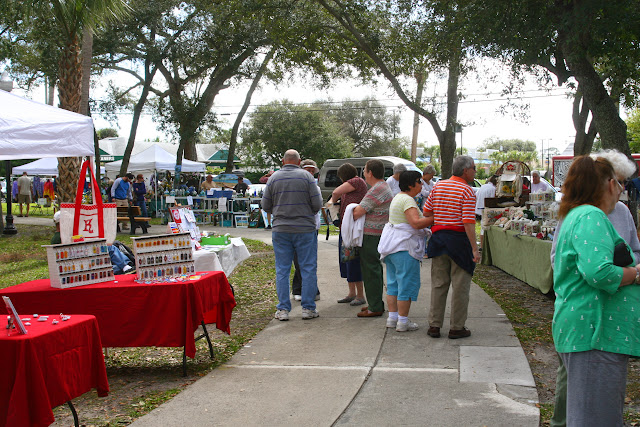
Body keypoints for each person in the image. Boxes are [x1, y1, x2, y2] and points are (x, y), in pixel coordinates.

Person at [549, 150, 640, 427]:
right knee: (595, 416)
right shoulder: (591, 215)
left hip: (592, 331)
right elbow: (598, 273)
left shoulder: (579, 213)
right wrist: (634, 274)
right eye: (620, 183)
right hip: (595, 331)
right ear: (610, 183)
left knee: (590, 413)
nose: (622, 190)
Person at [262, 149, 323, 321]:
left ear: (283, 161)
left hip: (281, 229)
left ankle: (283, 310)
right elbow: (317, 204)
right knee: (308, 268)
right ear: (299, 161)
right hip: (304, 229)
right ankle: (308, 308)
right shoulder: (307, 177)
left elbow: (265, 205)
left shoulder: (273, 178)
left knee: (282, 269)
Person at [423, 155, 479, 339]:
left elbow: (426, 211)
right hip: (459, 242)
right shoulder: (468, 191)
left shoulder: (438, 186)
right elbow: (468, 222)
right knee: (460, 286)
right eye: (474, 168)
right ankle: (457, 327)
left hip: (439, 240)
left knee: (439, 284)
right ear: (466, 170)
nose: (475, 172)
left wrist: (441, 216)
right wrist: (474, 248)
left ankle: (434, 325)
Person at [376, 170, 431, 331]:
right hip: (404, 248)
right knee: (406, 285)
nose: (422, 184)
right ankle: (403, 321)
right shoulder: (408, 200)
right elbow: (415, 222)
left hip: (392, 248)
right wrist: (435, 218)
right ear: (410, 184)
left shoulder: (398, 198)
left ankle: (393, 319)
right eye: (419, 182)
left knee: (393, 285)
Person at [352, 159, 393, 318]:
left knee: (371, 270)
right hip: (377, 233)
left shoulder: (378, 189)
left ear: (370, 173)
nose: (363, 173)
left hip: (373, 235)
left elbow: (358, 211)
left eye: (365, 170)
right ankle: (374, 303)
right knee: (371, 269)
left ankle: (375, 306)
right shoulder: (382, 187)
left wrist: (350, 208)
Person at [327, 163, 368, 306]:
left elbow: (336, 192)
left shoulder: (356, 181)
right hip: (347, 228)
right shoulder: (354, 184)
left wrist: (332, 204)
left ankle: (360, 295)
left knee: (354, 261)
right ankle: (352, 293)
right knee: (347, 261)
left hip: (353, 228)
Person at [50, 212, 134, 275]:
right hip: (79, 264)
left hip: (82, 260)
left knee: (110, 249)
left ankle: (125, 266)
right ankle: (126, 266)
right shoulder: (63, 237)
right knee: (110, 249)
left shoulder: (60, 236)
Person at [291, 159, 322, 302]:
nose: (310, 173)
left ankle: (309, 289)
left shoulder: (316, 187)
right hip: (297, 227)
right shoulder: (295, 185)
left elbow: (317, 206)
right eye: (307, 170)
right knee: (298, 260)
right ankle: (300, 289)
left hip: (311, 227)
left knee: (309, 260)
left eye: (312, 171)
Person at [475, 175, 498, 250]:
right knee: (485, 228)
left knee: (483, 227)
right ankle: (484, 247)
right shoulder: (493, 188)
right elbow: (494, 200)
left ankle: (482, 246)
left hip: (480, 208)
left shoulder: (483, 186)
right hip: (486, 209)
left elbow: (476, 195)